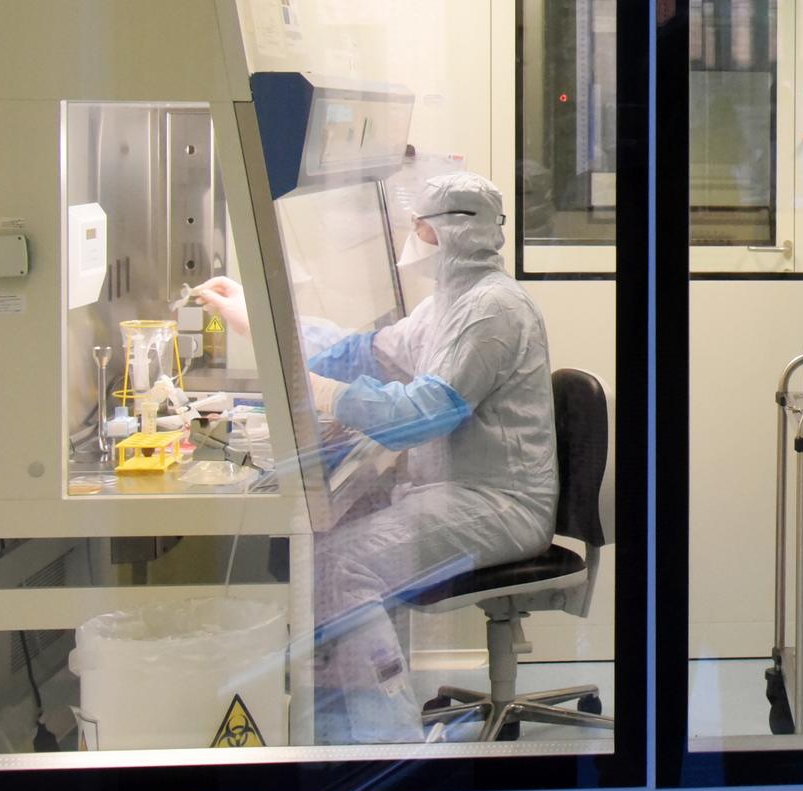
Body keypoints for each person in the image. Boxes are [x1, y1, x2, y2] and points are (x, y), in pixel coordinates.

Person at [197, 172, 558, 743]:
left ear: (443, 232)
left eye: (417, 227)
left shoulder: (493, 310)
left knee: (341, 566)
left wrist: (320, 393)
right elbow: (358, 353)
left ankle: (389, 744)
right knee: (329, 548)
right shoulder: (449, 304)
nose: (410, 238)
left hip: (500, 504)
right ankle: (346, 725)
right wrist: (257, 316)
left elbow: (424, 414)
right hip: (455, 491)